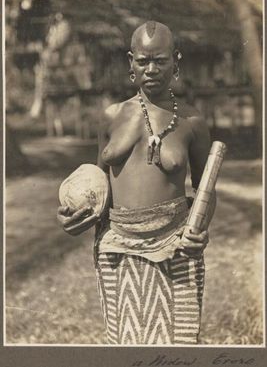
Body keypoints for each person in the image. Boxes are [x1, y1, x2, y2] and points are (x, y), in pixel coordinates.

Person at [57, 21, 216, 345]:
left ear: (176, 61)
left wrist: (200, 229)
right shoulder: (112, 116)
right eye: (143, 61)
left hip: (175, 246)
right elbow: (96, 185)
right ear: (131, 62)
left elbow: (204, 190)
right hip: (117, 245)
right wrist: (72, 216)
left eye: (160, 60)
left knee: (178, 347)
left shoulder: (192, 122)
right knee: (125, 343)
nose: (151, 69)